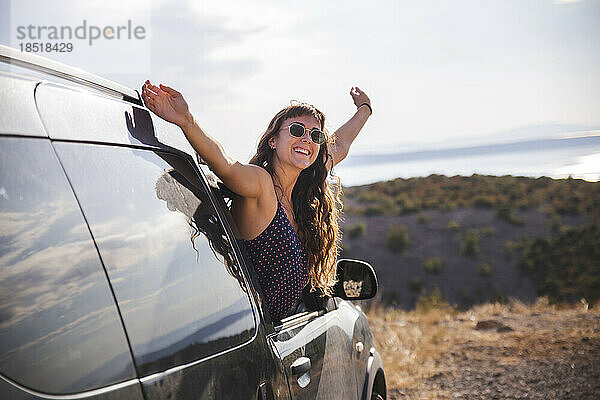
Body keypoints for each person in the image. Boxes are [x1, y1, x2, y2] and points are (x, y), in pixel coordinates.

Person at [141, 80, 371, 321]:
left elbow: (341, 145)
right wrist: (187, 120)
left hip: (285, 329)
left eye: (315, 135)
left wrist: (364, 108)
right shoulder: (261, 185)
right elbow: (226, 165)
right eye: (296, 130)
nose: (307, 139)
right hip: (259, 335)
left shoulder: (303, 187)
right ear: (273, 141)